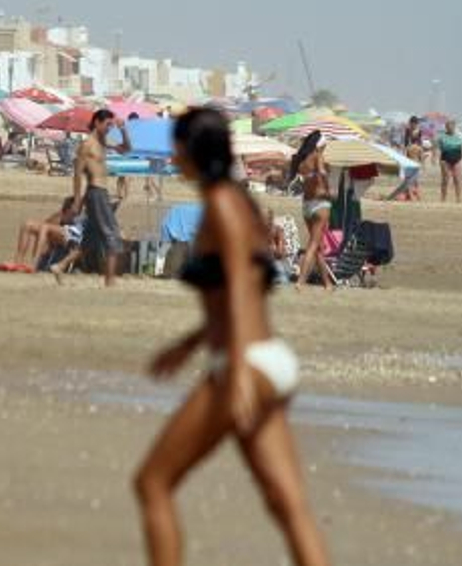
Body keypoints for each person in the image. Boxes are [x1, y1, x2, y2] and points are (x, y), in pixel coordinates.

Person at [133, 108, 330, 566]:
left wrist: (237, 369)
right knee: (287, 504)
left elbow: (242, 285)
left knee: (153, 483)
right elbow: (239, 291)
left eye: (175, 146)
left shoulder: (221, 203)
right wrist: (189, 343)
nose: (172, 154)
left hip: (245, 363)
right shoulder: (238, 202)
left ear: (188, 150)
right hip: (268, 358)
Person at [72, 109, 132, 286]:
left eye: (111, 125)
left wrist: (123, 130)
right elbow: (77, 174)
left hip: (101, 192)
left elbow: (126, 149)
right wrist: (77, 201)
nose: (109, 129)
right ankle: (110, 280)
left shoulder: (102, 142)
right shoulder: (87, 145)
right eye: (107, 125)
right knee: (112, 235)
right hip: (95, 192)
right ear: (97, 122)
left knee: (91, 238)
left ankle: (60, 266)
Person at [290, 131, 333, 291]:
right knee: (314, 244)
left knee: (318, 247)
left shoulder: (301, 161)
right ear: (319, 145)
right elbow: (321, 173)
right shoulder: (317, 156)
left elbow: (305, 178)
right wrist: (328, 186)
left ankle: (327, 284)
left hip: (306, 204)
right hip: (320, 203)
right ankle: (300, 281)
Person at [15, 197, 80, 268]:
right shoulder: (58, 217)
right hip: (59, 236)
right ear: (67, 210)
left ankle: (34, 263)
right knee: (27, 225)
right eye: (73, 212)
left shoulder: (79, 220)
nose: (77, 212)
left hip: (70, 238)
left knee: (45, 228)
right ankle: (18, 262)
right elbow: (41, 232)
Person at [436, 119, 462, 203]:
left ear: (454, 126)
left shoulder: (459, 135)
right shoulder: (442, 136)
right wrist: (436, 158)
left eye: (451, 126)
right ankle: (443, 198)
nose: (449, 127)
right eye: (447, 126)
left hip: (457, 159)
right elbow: (438, 148)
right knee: (445, 179)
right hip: (445, 159)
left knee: (457, 179)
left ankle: (458, 198)